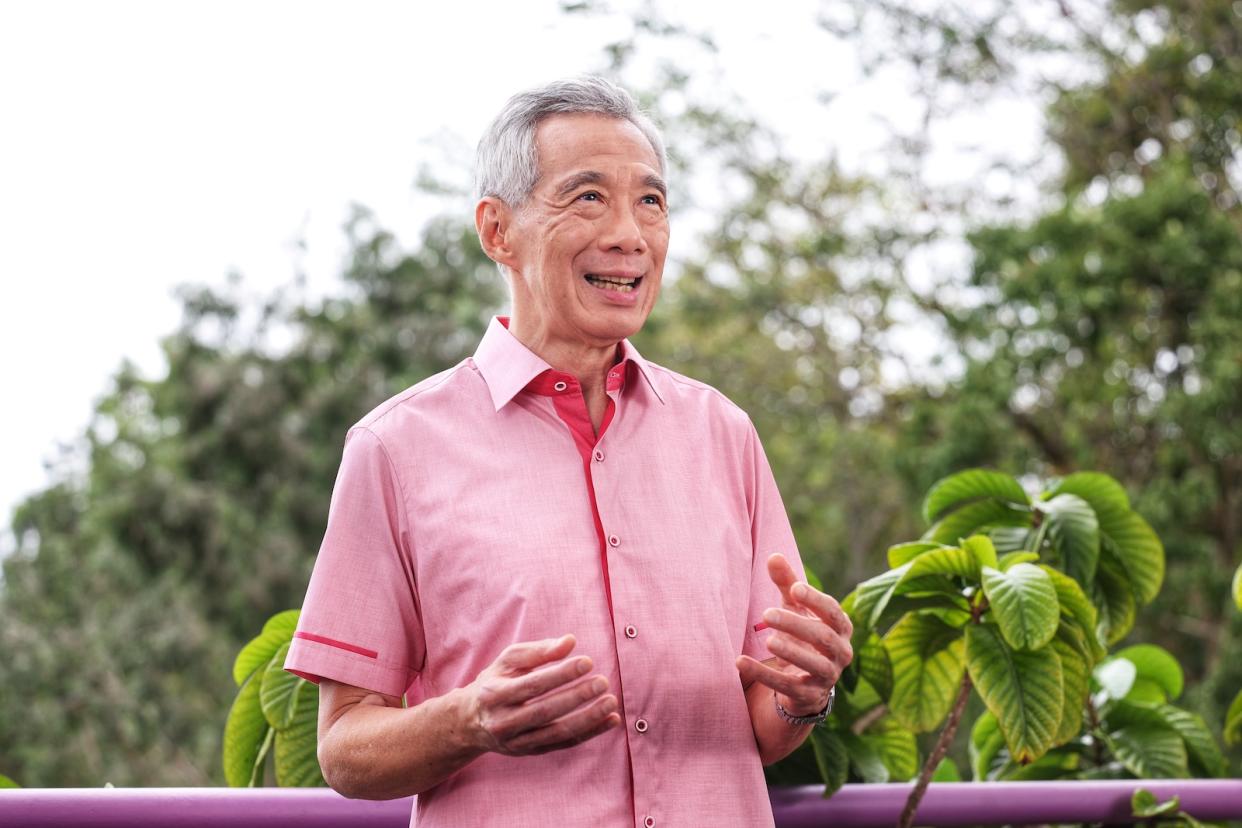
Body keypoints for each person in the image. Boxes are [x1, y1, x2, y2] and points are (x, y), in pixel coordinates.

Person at [284, 76, 853, 828]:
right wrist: (469, 720)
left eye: (650, 201)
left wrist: (803, 694)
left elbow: (760, 726)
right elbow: (345, 750)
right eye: (588, 197)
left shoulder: (724, 434)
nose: (630, 234)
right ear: (497, 231)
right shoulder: (395, 448)